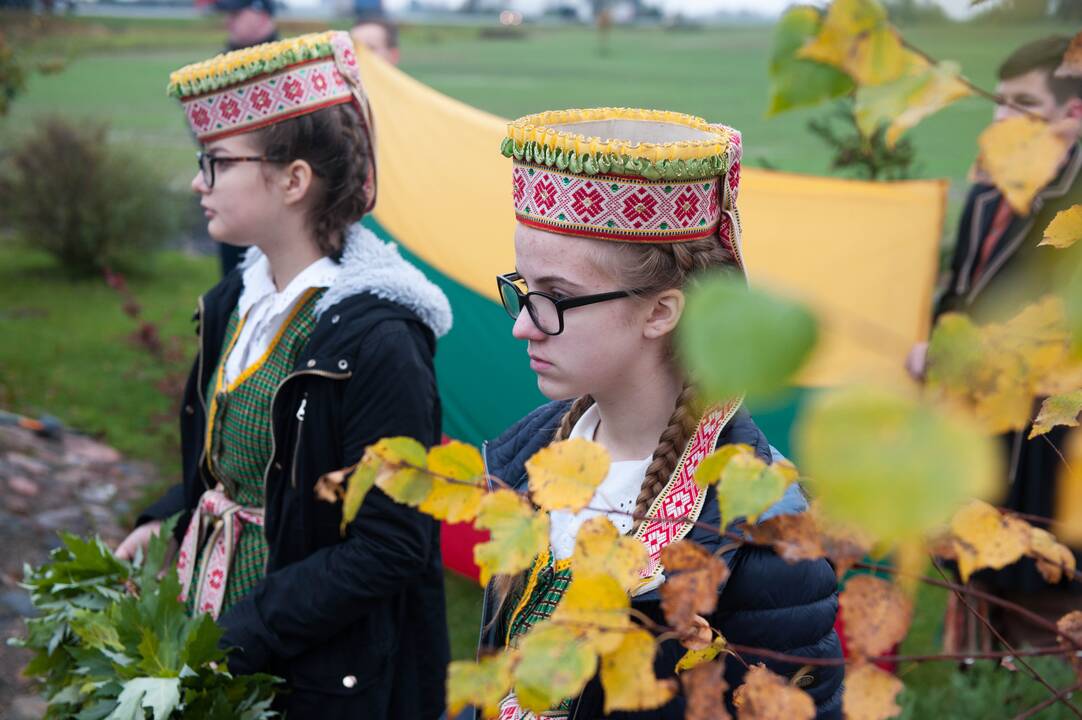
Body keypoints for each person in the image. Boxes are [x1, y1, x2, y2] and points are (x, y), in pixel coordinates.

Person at [114, 32, 453, 718]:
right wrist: (169, 517)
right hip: (218, 622)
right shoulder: (241, 299)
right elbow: (252, 460)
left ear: (294, 180)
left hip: (313, 667)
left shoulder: (380, 339)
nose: (197, 182)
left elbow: (392, 547)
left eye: (215, 163)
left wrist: (247, 629)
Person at [477, 108, 843, 718]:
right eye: (522, 289)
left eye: (556, 299)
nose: (522, 325)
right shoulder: (531, 463)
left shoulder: (758, 538)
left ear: (659, 312)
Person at [906, 35, 1082, 648]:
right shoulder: (985, 195)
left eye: (1022, 103)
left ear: (1073, 114)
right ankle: (981, 679)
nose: (1000, 117)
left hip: (1052, 432)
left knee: (1051, 581)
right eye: (998, 101)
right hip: (974, 426)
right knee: (978, 567)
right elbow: (958, 295)